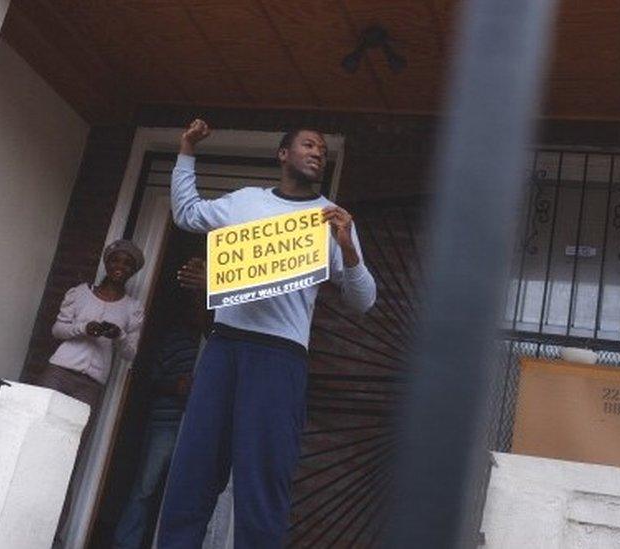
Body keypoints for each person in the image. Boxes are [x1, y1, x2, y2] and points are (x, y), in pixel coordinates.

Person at [157, 120, 376, 548]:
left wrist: (347, 247)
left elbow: (363, 300)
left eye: (323, 150)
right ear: (283, 154)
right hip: (223, 347)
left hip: (280, 357)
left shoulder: (329, 219)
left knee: (263, 482)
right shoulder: (244, 203)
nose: (318, 153)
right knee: (193, 471)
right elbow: (186, 214)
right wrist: (186, 149)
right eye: (309, 144)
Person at [43, 238, 146, 545]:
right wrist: (82, 328)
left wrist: (118, 335)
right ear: (107, 261)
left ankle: (54, 536)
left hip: (91, 385)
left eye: (127, 264)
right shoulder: (79, 293)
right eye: (116, 259)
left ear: (132, 271)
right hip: (59, 373)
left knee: (71, 454)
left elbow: (131, 353)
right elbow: (57, 330)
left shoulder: (132, 308)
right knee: (43, 439)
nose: (120, 267)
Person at [112, 256, 210, 549]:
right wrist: (174, 386)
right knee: (146, 487)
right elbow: (150, 378)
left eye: (203, 300)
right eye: (194, 301)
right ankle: (125, 544)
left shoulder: (217, 344)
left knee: (185, 493)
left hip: (197, 428)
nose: (198, 307)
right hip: (165, 423)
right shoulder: (175, 339)